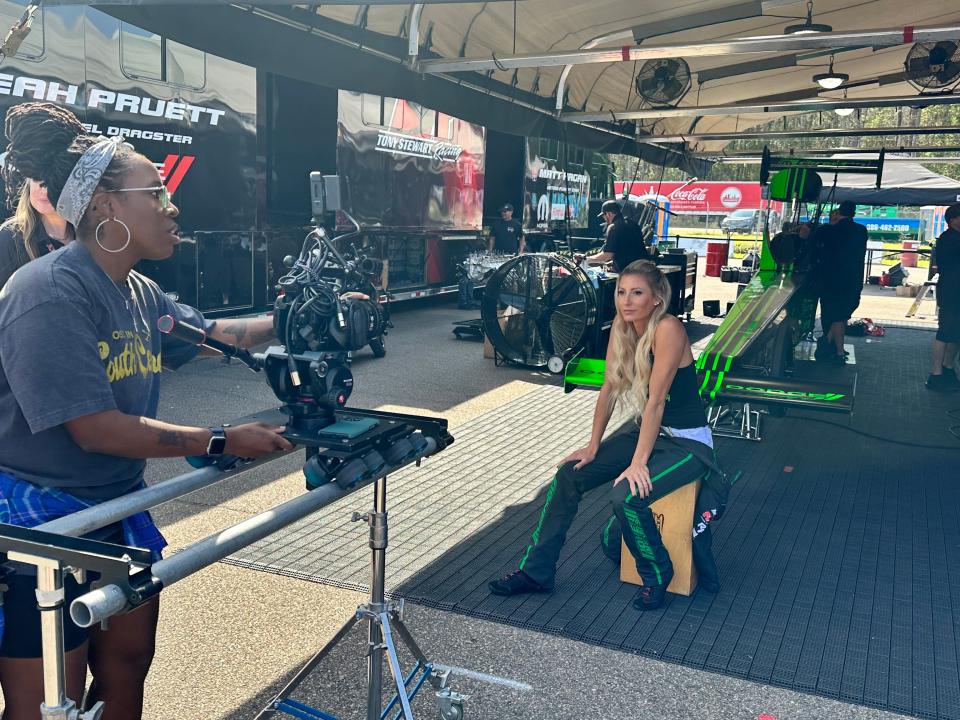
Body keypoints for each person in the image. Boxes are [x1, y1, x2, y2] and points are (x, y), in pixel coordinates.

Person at [0, 102, 294, 720]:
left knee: (128, 666)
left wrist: (296, 318)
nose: (173, 205)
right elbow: (95, 430)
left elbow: (214, 333)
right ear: (106, 207)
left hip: (117, 508)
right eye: (157, 191)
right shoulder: (48, 290)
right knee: (51, 700)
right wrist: (221, 439)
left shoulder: (139, 290)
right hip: (41, 521)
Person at [488, 260, 724, 611]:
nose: (627, 300)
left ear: (657, 298)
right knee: (570, 474)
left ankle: (657, 574)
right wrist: (593, 446)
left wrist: (637, 463)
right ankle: (536, 573)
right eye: (622, 292)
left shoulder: (668, 328)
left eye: (637, 293)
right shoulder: (622, 326)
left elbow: (657, 401)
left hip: (687, 442)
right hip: (650, 431)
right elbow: (610, 389)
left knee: (626, 495)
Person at [815, 200, 867, 364]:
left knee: (834, 316)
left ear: (839, 212)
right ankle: (834, 345)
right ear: (854, 212)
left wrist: (830, 224)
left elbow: (816, 242)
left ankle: (833, 348)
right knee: (843, 315)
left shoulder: (830, 230)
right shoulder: (861, 231)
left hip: (831, 280)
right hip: (853, 279)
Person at [0, 178, 74, 287]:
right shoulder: (9, 238)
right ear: (28, 182)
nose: (44, 188)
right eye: (36, 177)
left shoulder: (91, 235)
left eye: (56, 178)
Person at [926, 203, 960, 393]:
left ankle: (948, 368)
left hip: (953, 290)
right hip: (951, 291)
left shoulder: (951, 238)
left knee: (955, 333)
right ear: (953, 220)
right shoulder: (950, 239)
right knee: (945, 332)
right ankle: (936, 372)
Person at [583, 199, 649, 272]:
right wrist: (612, 263)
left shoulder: (613, 227)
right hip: (643, 268)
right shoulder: (633, 223)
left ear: (608, 214)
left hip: (629, 272)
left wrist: (585, 260)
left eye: (603, 216)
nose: (604, 219)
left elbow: (607, 255)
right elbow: (629, 251)